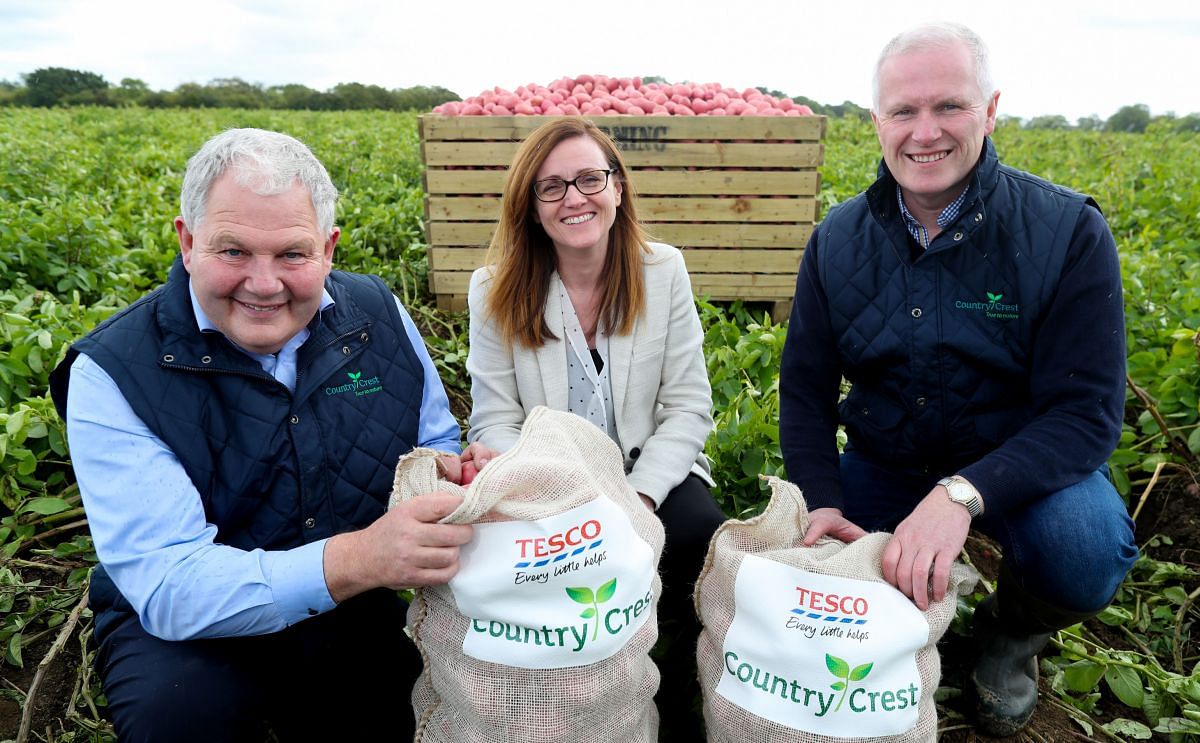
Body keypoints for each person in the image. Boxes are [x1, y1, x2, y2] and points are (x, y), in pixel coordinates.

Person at [49, 128, 488, 742]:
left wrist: (451, 478)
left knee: (399, 709)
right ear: (187, 241)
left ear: (328, 249)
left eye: (291, 254)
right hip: (192, 630)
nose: (263, 284)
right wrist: (362, 557)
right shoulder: (114, 370)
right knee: (180, 715)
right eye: (232, 252)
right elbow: (173, 586)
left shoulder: (377, 314)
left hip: (351, 601)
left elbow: (433, 438)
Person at [778, 22, 1138, 737]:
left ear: (990, 109)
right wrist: (821, 501)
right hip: (887, 458)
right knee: (812, 559)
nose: (925, 132)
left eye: (949, 107)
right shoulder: (838, 239)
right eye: (904, 112)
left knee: (1085, 547)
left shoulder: (1065, 231)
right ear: (876, 121)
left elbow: (1087, 414)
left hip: (1020, 467)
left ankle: (1012, 634)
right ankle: (895, 625)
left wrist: (961, 494)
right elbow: (805, 391)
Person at [465, 117, 725, 737]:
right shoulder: (494, 289)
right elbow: (495, 419)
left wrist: (635, 498)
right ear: (530, 207)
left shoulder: (662, 271)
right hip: (551, 484)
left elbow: (689, 407)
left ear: (617, 188)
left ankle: (683, 686)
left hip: (649, 476)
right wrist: (566, 501)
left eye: (589, 178)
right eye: (551, 187)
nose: (574, 198)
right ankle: (567, 698)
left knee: (696, 532)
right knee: (539, 565)